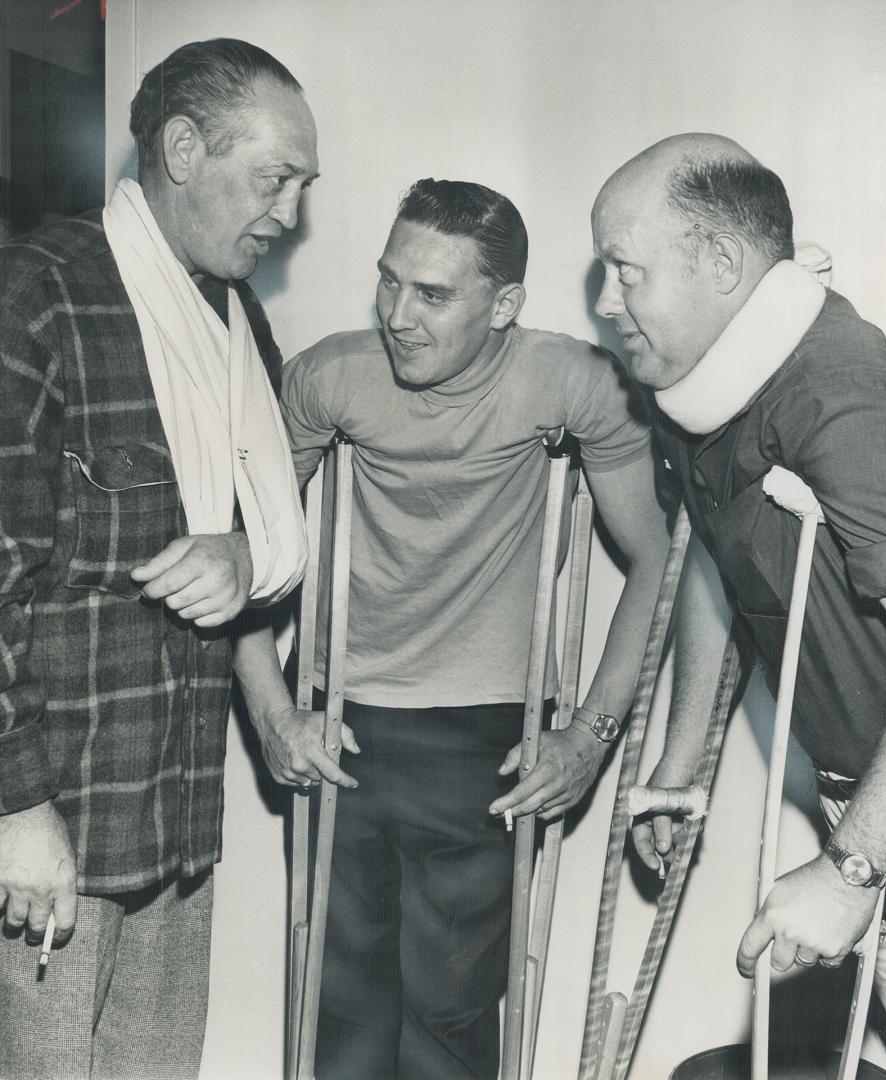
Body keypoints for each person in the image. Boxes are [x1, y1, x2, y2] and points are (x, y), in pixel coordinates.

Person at [591, 134, 886, 1080]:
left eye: (625, 271)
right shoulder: (702, 399)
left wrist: (845, 873)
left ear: (720, 263)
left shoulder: (847, 400)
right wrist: (680, 763)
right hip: (879, 802)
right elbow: (720, 569)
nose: (604, 303)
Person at [233, 178, 671, 1079]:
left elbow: (659, 562)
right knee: (339, 1010)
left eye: (432, 293)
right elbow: (246, 553)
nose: (398, 313)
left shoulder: (573, 382)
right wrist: (273, 713)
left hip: (486, 734)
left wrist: (588, 736)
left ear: (504, 303)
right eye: (389, 281)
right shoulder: (328, 377)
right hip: (340, 719)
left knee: (449, 1016)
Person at [0, 38, 317, 1079]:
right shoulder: (36, 294)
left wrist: (244, 576)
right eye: (274, 178)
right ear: (182, 149)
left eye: (302, 187)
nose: (289, 213)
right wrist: (15, 807)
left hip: (179, 823)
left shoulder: (236, 322)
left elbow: (254, 538)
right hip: (53, 829)